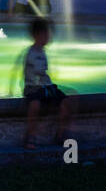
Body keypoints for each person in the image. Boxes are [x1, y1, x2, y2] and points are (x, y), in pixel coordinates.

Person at [22, 16, 72, 150]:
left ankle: (61, 133)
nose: (49, 37)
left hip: (45, 87)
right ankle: (31, 134)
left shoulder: (42, 51)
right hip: (33, 88)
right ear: (37, 35)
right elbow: (38, 73)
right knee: (35, 104)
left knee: (66, 102)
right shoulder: (31, 53)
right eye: (47, 34)